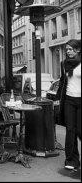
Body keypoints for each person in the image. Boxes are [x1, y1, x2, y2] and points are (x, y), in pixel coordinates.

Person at [56, 39, 81, 170]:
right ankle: (71, 160)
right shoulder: (64, 64)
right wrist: (57, 98)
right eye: (67, 50)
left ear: (78, 50)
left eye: (70, 49)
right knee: (70, 131)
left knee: (80, 130)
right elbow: (62, 81)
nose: (68, 51)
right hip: (69, 100)